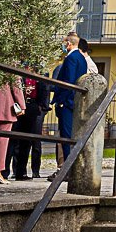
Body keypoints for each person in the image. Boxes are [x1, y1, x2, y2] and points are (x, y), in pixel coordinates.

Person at [51, 33, 88, 174]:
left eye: (64, 43)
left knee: (66, 136)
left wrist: (61, 100)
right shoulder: (82, 58)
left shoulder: (71, 58)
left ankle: (67, 169)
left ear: (68, 44)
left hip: (67, 102)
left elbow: (69, 81)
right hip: (74, 102)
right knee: (71, 135)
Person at [11, 70, 51, 180]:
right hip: (19, 107)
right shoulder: (20, 71)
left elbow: (45, 89)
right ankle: (14, 171)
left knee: (30, 141)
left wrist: (42, 106)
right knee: (16, 141)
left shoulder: (42, 72)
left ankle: (28, 172)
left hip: (34, 107)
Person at [0, 80, 26, 184]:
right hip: (5, 104)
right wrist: (22, 105)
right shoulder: (12, 62)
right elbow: (16, 84)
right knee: (2, 140)